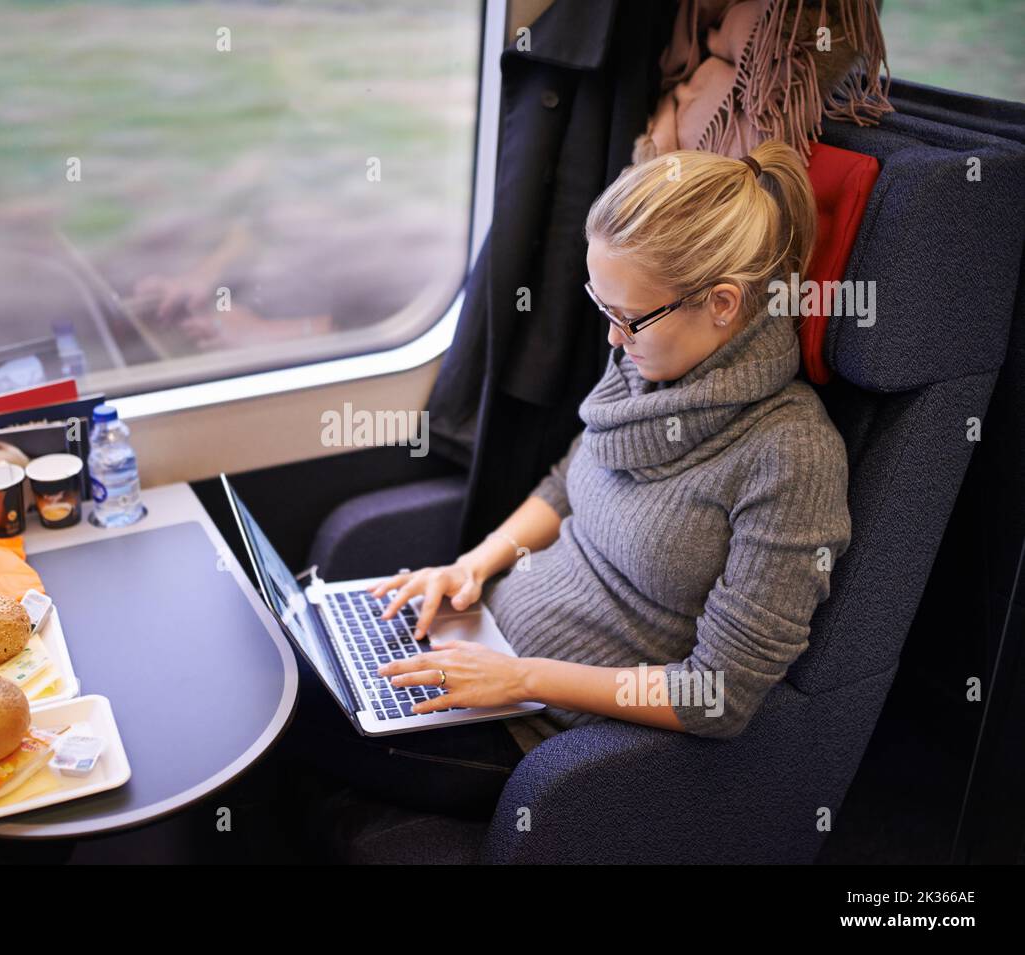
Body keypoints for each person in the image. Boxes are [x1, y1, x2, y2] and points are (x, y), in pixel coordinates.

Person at [277, 139, 852, 820]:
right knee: (286, 657)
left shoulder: (791, 457)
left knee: (278, 716)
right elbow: (566, 481)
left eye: (626, 317)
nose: (611, 339)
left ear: (723, 303)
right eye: (601, 306)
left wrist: (517, 679)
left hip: (539, 736)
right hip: (485, 651)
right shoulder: (649, 365)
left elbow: (717, 695)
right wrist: (471, 567)